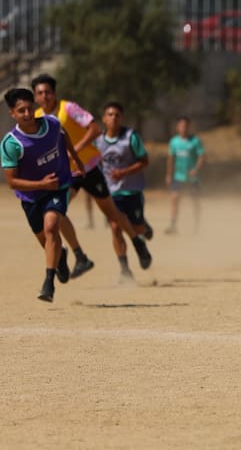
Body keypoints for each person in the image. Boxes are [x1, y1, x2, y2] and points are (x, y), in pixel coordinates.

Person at [31, 74, 152, 275]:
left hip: (87, 167)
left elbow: (95, 129)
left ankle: (137, 243)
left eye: (48, 92)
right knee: (55, 212)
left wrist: (74, 150)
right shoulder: (36, 118)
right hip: (67, 174)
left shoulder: (68, 108)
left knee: (112, 214)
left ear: (54, 93)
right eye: (40, 93)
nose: (45, 96)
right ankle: (80, 256)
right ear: (35, 97)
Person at [1, 88, 84, 301]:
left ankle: (48, 284)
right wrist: (40, 184)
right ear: (12, 113)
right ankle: (61, 258)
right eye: (21, 111)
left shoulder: (52, 123)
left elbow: (63, 136)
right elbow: (11, 182)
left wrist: (76, 158)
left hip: (58, 185)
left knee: (51, 227)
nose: (27, 114)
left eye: (30, 109)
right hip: (31, 196)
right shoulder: (12, 143)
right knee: (46, 239)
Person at [95, 102, 151, 283]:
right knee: (115, 227)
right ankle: (125, 270)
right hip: (111, 193)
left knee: (137, 228)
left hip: (131, 191)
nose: (113, 118)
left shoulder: (130, 137)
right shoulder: (98, 141)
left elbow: (144, 161)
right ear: (104, 118)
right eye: (109, 114)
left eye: (117, 115)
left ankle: (143, 227)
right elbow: (96, 165)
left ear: (122, 118)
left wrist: (124, 172)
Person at [165, 116, 205, 235]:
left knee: (195, 201)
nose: (184, 128)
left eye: (186, 126)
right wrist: (168, 175)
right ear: (178, 127)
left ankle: (197, 226)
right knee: (175, 198)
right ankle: (173, 225)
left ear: (189, 127)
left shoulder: (195, 141)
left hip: (193, 178)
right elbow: (170, 159)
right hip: (178, 177)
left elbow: (202, 157)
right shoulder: (174, 142)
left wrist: (196, 169)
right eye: (181, 125)